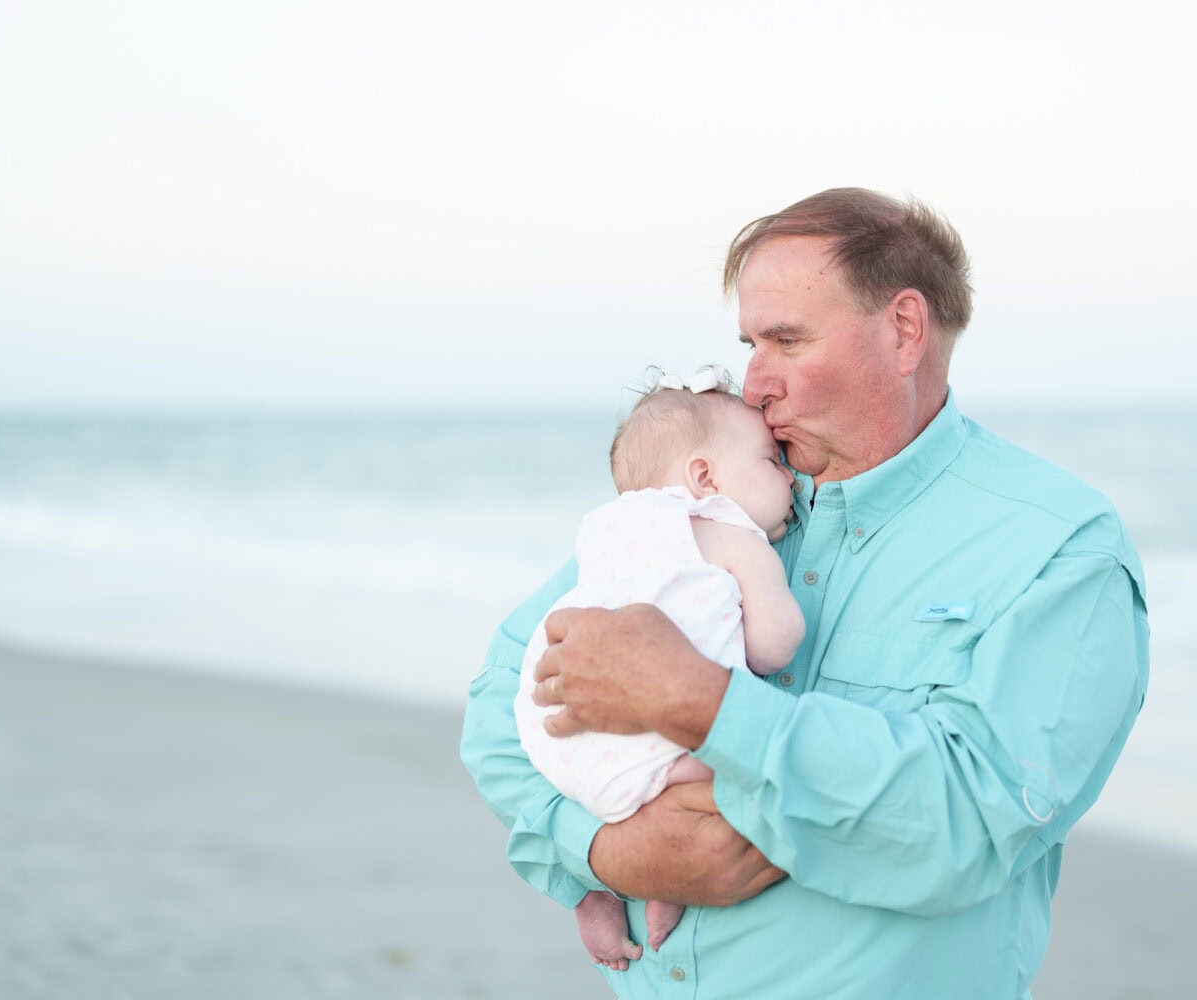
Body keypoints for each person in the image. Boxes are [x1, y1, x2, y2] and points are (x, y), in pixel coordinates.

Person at [462, 187, 1150, 998]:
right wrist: (603, 850)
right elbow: (501, 702)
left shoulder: (1060, 550)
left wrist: (704, 703)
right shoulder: (716, 502)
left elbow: (970, 823)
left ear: (903, 330)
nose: (753, 385)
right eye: (750, 343)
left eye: (785, 341)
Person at [512, 366, 804, 970]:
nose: (791, 479)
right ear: (706, 477)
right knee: (744, 775)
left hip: (556, 726)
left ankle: (593, 892)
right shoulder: (727, 533)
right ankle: (667, 887)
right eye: (773, 462)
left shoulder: (608, 529)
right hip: (655, 735)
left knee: (605, 799)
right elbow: (776, 646)